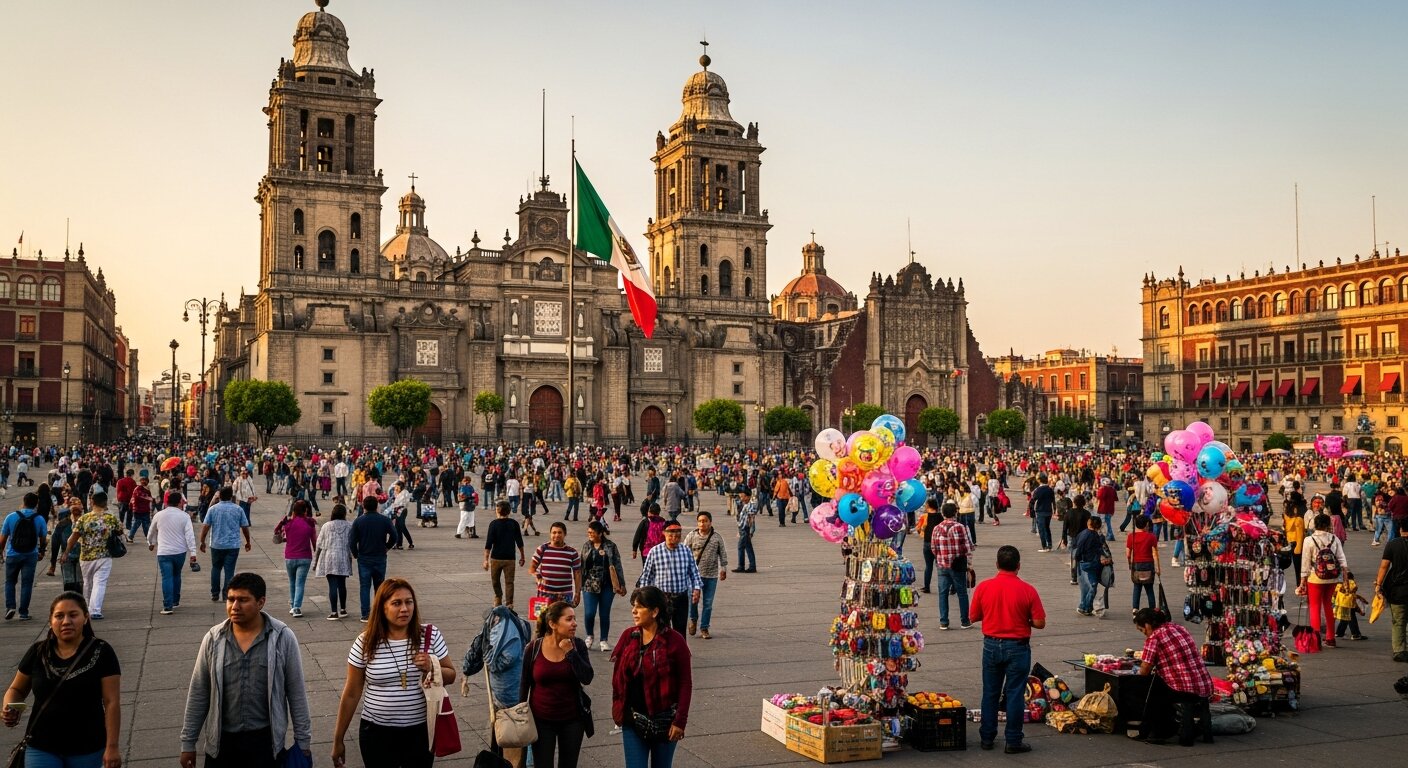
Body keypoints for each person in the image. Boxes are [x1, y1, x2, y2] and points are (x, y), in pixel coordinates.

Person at [180, 573, 313, 768]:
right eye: (231, 599)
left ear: (261, 602)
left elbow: (296, 691)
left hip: (265, 743)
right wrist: (188, 742)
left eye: (243, 600)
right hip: (222, 743)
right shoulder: (214, 639)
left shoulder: (282, 637)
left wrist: (303, 742)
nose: (234, 607)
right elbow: (199, 691)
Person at [331, 578, 455, 768]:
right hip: (376, 733)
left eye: (409, 602)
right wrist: (338, 739)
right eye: (396, 603)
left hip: (420, 731)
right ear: (382, 607)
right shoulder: (365, 643)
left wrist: (432, 666)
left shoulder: (430, 635)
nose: (405, 609)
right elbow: (352, 693)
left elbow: (451, 675)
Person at [2, 591, 122, 768]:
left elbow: (111, 702)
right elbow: (16, 689)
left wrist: (112, 747)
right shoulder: (38, 652)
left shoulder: (102, 652)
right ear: (51, 622)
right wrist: (9, 706)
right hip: (41, 746)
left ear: (85, 618)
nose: (66, 621)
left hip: (88, 748)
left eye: (73, 615)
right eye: (59, 616)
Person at [970, 545, 1045, 753]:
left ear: (997, 565)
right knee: (1015, 694)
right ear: (1018, 566)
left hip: (991, 645)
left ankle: (987, 737)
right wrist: (1025, 619)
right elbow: (1040, 622)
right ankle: (1013, 740)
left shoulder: (984, 587)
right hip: (1018, 647)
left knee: (990, 693)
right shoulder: (1028, 590)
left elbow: (973, 617)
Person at [610, 586, 693, 768]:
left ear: (655, 611)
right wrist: (619, 709)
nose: (634, 611)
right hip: (633, 719)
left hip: (664, 721)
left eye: (639, 607)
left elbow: (685, 684)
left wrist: (680, 721)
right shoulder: (629, 636)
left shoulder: (675, 641)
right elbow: (618, 679)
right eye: (633, 605)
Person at [521, 601, 595, 768]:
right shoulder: (533, 648)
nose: (575, 623)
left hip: (573, 720)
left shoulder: (578, 645)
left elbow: (587, 678)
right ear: (553, 624)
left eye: (574, 619)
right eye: (569, 619)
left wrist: (571, 653)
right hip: (541, 720)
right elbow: (524, 683)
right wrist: (521, 715)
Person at [1132, 607, 1214, 746]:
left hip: (1185, 689)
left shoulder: (1154, 637)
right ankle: (1191, 729)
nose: (1144, 633)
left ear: (1147, 625)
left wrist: (1138, 672)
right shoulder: (1178, 628)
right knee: (1162, 682)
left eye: (1142, 630)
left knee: (1154, 689)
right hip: (1203, 684)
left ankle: (1158, 732)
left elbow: (1144, 670)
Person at [636, 520, 703, 637]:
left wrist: (696, 589)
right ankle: (662, 653)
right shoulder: (655, 552)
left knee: (680, 631)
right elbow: (646, 576)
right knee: (662, 630)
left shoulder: (686, 551)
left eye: (678, 533)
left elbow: (694, 572)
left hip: (681, 597)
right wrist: (644, 597)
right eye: (671, 533)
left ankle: (680, 654)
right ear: (664, 533)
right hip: (662, 598)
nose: (675, 536)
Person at [64, 491, 121, 621]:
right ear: (105, 502)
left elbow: (72, 538)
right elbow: (119, 531)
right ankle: (95, 610)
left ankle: (86, 609)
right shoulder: (110, 518)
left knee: (87, 583)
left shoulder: (84, 519)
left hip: (86, 557)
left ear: (92, 502)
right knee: (100, 582)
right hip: (105, 556)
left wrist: (66, 553)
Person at [1297, 514, 1349, 648]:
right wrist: (1345, 578)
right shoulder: (1334, 538)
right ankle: (1331, 637)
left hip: (1315, 577)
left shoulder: (1309, 540)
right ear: (1327, 525)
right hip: (1332, 577)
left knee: (1314, 606)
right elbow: (1342, 559)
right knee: (1328, 606)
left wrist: (1303, 580)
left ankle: (1316, 638)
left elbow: (1305, 562)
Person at [200, 486, 253, 602]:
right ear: (231, 496)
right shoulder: (238, 509)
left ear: (220, 496)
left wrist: (202, 541)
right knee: (229, 570)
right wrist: (248, 542)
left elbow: (206, 527)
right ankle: (226, 595)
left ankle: (214, 593)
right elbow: (245, 527)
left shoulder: (213, 509)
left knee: (216, 568)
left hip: (216, 544)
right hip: (233, 545)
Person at [150, 491, 199, 616]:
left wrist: (151, 543)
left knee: (167, 577)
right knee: (176, 575)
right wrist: (193, 553)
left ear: (166, 502)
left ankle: (168, 606)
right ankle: (176, 600)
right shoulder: (184, 516)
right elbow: (190, 536)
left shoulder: (159, 515)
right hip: (179, 552)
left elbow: (151, 532)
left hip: (164, 552)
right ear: (179, 502)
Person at [2, 491, 48, 621]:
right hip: (30, 555)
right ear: (36, 504)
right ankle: (23, 613)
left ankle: (10, 606)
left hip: (12, 554)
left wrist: (1, 552)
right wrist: (42, 552)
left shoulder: (11, 517)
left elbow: (3, 538)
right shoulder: (39, 518)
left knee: (10, 581)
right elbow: (43, 538)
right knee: (27, 584)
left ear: (23, 501)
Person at [581, 521, 626, 651]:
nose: (589, 534)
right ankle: (589, 636)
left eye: (592, 532)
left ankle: (603, 639)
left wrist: (621, 584)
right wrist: (579, 585)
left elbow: (617, 565)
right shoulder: (586, 546)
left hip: (607, 584)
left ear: (600, 533)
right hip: (589, 584)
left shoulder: (610, 546)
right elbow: (581, 566)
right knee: (589, 613)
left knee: (604, 613)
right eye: (588, 532)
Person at [351, 495, 397, 622]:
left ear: (363, 506)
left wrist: (355, 554)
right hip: (380, 557)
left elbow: (352, 541)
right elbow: (394, 536)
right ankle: (379, 612)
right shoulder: (384, 520)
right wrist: (387, 547)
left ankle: (365, 614)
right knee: (380, 586)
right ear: (377, 506)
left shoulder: (358, 521)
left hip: (364, 558)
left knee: (364, 586)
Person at [683, 511, 728, 640]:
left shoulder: (716, 537)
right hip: (694, 575)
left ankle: (704, 627)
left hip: (711, 575)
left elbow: (722, 554)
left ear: (710, 522)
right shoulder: (691, 536)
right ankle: (693, 619)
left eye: (705, 521)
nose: (702, 523)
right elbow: (684, 552)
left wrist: (723, 569)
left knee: (708, 603)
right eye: (700, 521)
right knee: (693, 601)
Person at [930, 501, 974, 630]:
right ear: (955, 513)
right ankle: (964, 621)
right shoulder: (960, 527)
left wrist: (941, 557)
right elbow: (967, 547)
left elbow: (933, 548)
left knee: (943, 593)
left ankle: (944, 621)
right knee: (962, 593)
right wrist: (969, 564)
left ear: (943, 513)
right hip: (958, 564)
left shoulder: (936, 528)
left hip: (942, 565)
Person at [1374, 522, 1408, 661]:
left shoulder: (1393, 544)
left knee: (1398, 621)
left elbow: (1384, 566)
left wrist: (1378, 584)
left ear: (1401, 529)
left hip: (1397, 589)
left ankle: (1399, 650)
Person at [484, 499, 527, 610]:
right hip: (510, 559)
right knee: (509, 582)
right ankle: (509, 604)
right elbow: (519, 542)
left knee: (495, 581)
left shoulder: (493, 524)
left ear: (498, 511)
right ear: (509, 511)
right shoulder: (514, 524)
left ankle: (498, 598)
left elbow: (488, 543)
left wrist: (485, 559)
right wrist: (522, 556)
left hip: (496, 558)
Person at [279, 500, 318, 618]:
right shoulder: (309, 524)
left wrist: (283, 521)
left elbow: (279, 532)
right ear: (305, 510)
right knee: (300, 583)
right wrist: (316, 551)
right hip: (305, 557)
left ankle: (292, 605)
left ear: (294, 511)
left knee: (292, 581)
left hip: (290, 557)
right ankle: (296, 607)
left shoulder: (288, 524)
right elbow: (314, 540)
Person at [316, 503, 355, 620]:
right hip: (343, 557)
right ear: (344, 514)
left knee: (332, 585)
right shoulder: (349, 526)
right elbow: (352, 542)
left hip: (330, 558)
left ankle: (334, 612)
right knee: (342, 584)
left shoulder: (326, 526)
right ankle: (343, 609)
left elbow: (319, 543)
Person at [531, 521, 584, 606]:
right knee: (540, 618)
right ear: (550, 534)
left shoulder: (572, 552)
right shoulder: (542, 549)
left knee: (563, 618)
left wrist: (577, 593)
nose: (556, 535)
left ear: (565, 534)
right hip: (543, 594)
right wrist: (537, 575)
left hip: (564, 596)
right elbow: (532, 568)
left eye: (560, 532)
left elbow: (577, 573)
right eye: (554, 532)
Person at [1072, 517, 1107, 616]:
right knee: (1092, 585)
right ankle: (1084, 606)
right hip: (1090, 563)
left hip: (1085, 562)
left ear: (1089, 523)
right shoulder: (1094, 535)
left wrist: (1077, 560)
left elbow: (1076, 546)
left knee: (1086, 586)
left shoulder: (1084, 533)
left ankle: (1087, 606)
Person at [1126, 514, 1160, 614]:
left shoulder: (1131, 536)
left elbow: (1128, 554)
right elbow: (1155, 554)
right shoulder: (1152, 537)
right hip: (1149, 564)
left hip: (1136, 564)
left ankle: (1135, 608)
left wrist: (1129, 563)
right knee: (1149, 588)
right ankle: (1152, 609)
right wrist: (1158, 568)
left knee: (1137, 587)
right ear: (1146, 525)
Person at [49, 499, 85, 593]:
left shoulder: (63, 523)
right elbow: (55, 543)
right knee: (75, 583)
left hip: (78, 557)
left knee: (73, 583)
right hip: (74, 557)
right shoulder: (86, 521)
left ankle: (74, 604)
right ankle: (76, 604)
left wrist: (53, 564)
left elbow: (55, 544)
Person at [1333, 570, 1368, 641]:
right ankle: (1356, 634)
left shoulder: (1338, 584)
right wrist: (1359, 607)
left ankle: (1339, 632)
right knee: (1351, 618)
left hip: (1339, 603)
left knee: (1344, 617)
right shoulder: (1351, 583)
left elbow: (1335, 594)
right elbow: (1353, 592)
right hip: (1348, 603)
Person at [732, 490, 758, 573]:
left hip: (746, 529)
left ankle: (743, 566)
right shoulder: (745, 504)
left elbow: (751, 519)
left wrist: (751, 531)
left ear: (748, 496)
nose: (741, 498)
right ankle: (750, 566)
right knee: (747, 547)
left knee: (741, 547)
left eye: (743, 496)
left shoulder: (751, 505)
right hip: (742, 528)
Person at [1030, 476, 1055, 552]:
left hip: (1040, 511)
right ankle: (1049, 545)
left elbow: (1033, 499)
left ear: (1040, 481)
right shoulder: (1050, 489)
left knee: (1041, 529)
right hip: (1049, 511)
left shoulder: (1038, 490)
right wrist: (1055, 510)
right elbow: (1053, 500)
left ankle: (1044, 546)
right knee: (1047, 528)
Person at [455, 474, 479, 539]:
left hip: (469, 504)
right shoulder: (463, 487)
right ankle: (459, 533)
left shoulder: (469, 487)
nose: (467, 482)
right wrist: (470, 496)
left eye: (467, 481)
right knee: (464, 518)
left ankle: (471, 533)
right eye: (465, 481)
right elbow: (461, 495)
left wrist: (473, 498)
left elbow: (473, 494)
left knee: (471, 519)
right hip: (465, 504)